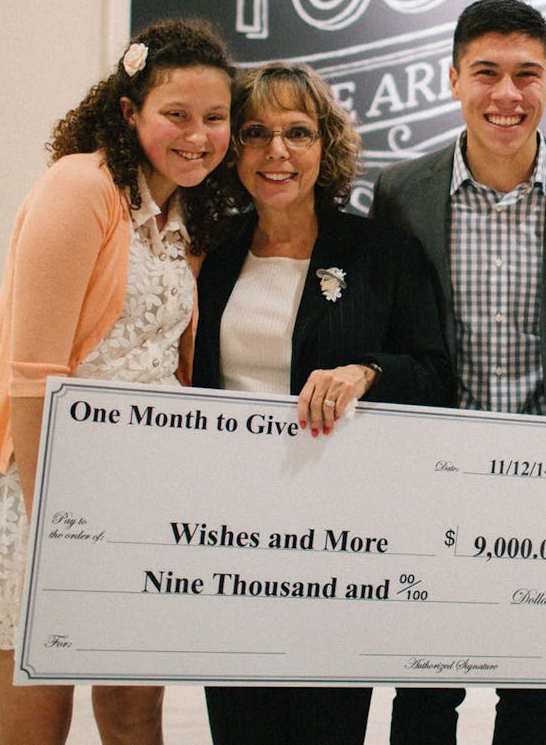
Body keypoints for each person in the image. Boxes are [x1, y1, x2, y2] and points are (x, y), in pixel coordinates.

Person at [0, 18, 239, 744]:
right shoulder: (80, 186)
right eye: (177, 115)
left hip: (145, 491)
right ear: (130, 112)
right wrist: (55, 525)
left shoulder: (181, 212)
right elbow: (33, 374)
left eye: (215, 118)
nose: (197, 135)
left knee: (137, 712)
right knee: (40, 718)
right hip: (51, 486)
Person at [369, 0, 546, 745]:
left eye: (527, 74)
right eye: (486, 72)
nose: (506, 95)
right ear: (453, 78)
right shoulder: (402, 193)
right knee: (423, 686)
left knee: (530, 692)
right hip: (434, 480)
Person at [195, 62, 454, 744]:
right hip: (229, 537)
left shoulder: (380, 251)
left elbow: (434, 375)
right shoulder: (210, 254)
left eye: (298, 132)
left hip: (339, 536)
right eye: (255, 132)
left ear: (326, 146)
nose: (276, 152)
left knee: (325, 725)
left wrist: (368, 371)